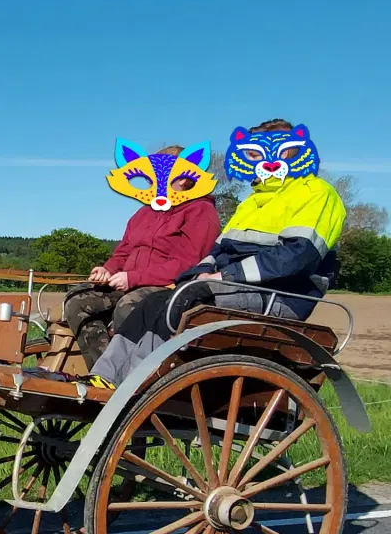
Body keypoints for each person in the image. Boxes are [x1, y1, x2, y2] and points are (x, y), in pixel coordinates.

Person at [91, 119, 347, 387]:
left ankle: (133, 386)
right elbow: (217, 251)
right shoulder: (253, 201)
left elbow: (297, 257)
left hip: (281, 294)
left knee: (180, 302)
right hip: (237, 287)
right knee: (152, 303)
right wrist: (199, 275)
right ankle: (104, 378)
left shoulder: (317, 193)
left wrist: (224, 276)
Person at [62, 140, 223, 370]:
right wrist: (108, 269)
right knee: (77, 300)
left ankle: (131, 381)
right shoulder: (144, 212)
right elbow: (124, 250)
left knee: (129, 306)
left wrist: (133, 277)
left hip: (169, 288)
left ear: (186, 178)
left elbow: (189, 264)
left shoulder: (201, 211)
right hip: (131, 283)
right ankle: (102, 374)